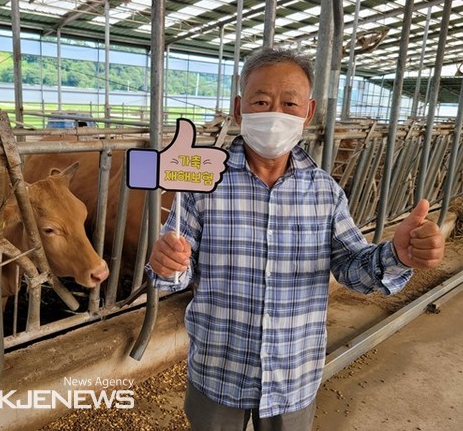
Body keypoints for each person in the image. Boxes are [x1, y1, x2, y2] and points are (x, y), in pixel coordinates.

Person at [146, 46, 445, 431]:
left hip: (294, 377)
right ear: (239, 109)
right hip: (218, 371)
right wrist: (166, 262)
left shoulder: (325, 191)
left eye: (289, 103)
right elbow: (177, 271)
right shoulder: (203, 183)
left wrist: (397, 255)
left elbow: (353, 268)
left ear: (308, 111)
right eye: (261, 101)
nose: (275, 114)